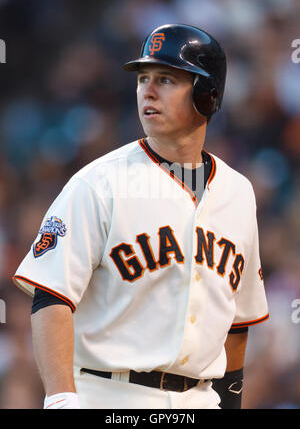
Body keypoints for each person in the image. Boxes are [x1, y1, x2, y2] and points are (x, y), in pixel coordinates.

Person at [12, 24, 269, 410]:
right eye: (143, 79)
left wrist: (232, 401)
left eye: (166, 79)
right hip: (109, 395)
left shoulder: (239, 192)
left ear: (207, 94)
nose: (147, 91)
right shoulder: (99, 182)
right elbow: (51, 297)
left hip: (199, 400)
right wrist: (61, 398)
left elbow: (237, 320)